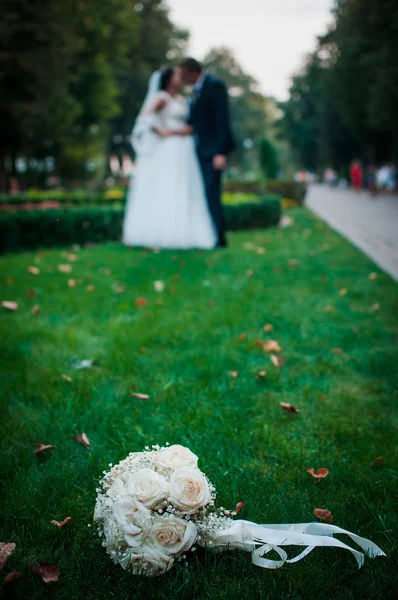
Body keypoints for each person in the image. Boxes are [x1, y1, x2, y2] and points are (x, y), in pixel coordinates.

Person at [122, 68, 217, 249]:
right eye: (176, 75)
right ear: (168, 79)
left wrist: (185, 130)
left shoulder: (182, 99)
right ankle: (163, 231)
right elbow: (144, 117)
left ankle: (185, 231)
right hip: (169, 148)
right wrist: (162, 132)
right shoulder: (162, 98)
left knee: (185, 187)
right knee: (168, 185)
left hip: (184, 148)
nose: (180, 78)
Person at [180, 58, 235, 247]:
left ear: (191, 71)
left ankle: (219, 237)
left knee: (212, 194)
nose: (181, 78)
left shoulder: (214, 85)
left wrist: (220, 152)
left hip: (212, 152)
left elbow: (222, 119)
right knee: (204, 193)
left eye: (183, 74)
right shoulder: (197, 89)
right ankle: (209, 233)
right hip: (200, 151)